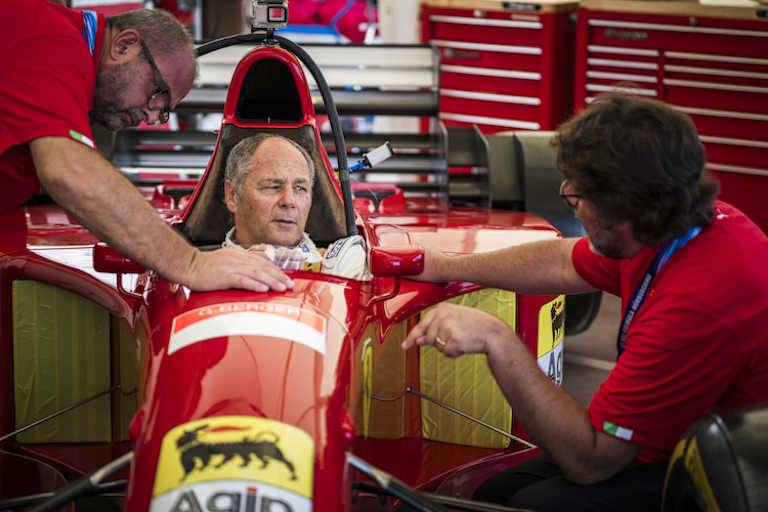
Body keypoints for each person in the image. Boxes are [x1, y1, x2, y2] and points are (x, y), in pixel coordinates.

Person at [401, 94, 768, 511]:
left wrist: (496, 338)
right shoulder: (670, 222)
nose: (570, 200)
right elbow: (562, 262)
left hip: (725, 474)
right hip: (672, 434)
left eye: (576, 197)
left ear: (620, 206)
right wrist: (445, 265)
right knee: (494, 495)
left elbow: (590, 461)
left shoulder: (697, 304)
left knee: (528, 505)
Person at [1, 0, 292, 293]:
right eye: (157, 93)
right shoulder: (52, 38)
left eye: (164, 112)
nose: (151, 118)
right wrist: (191, 264)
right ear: (124, 46)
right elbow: (67, 172)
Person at [223, 134, 368, 280]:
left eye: (300, 188)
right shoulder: (202, 272)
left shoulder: (341, 263)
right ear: (232, 196)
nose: (289, 201)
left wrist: (304, 268)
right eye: (273, 186)